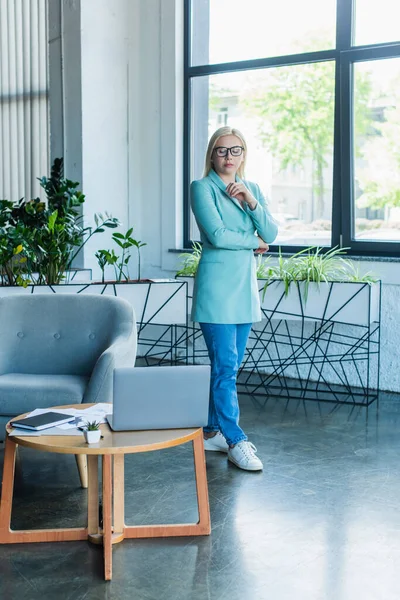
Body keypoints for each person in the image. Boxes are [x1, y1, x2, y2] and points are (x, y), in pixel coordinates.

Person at [190, 126, 278, 471]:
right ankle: (236, 440)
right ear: (212, 155)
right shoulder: (202, 188)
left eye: (236, 150)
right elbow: (217, 235)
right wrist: (252, 241)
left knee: (228, 366)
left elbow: (270, 232)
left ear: (244, 154)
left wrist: (251, 203)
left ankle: (211, 431)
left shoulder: (251, 189)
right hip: (216, 290)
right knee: (226, 367)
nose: (229, 157)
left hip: (244, 290)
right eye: (222, 150)